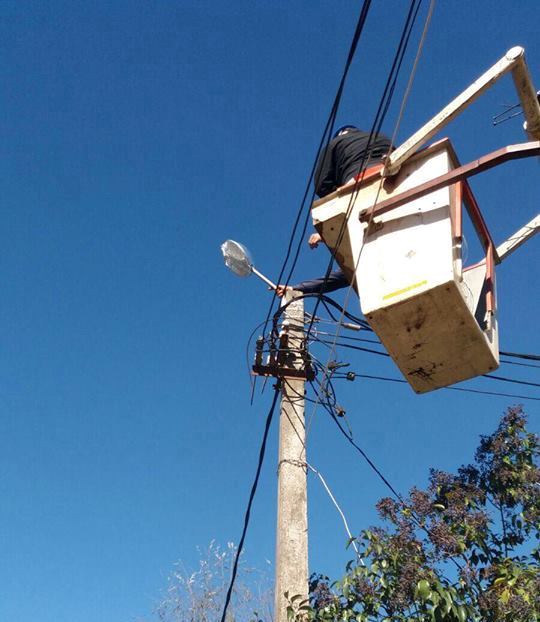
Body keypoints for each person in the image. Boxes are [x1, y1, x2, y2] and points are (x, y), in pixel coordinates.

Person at [276, 125, 392, 297]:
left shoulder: (335, 144)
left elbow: (322, 184)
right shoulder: (382, 137)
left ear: (340, 135)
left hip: (356, 186)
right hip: (393, 184)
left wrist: (337, 203)